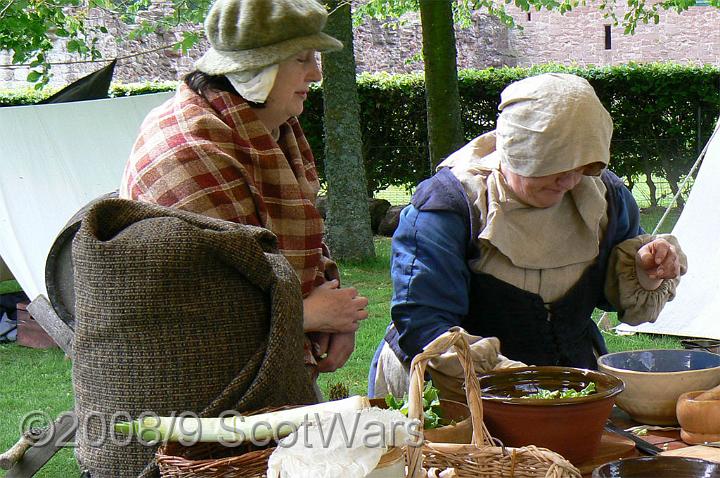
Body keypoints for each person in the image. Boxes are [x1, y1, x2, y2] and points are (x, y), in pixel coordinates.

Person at [369, 73, 687, 399]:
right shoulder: (451, 205)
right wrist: (513, 382)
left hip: (569, 384)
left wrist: (646, 270)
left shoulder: (607, 199)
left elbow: (608, 294)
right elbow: (424, 323)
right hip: (451, 389)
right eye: (556, 166)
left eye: (581, 167)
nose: (570, 181)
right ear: (519, 151)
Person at [120, 0, 368, 378]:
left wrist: (333, 311)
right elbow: (203, 303)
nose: (316, 74)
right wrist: (310, 314)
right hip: (200, 391)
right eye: (302, 59)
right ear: (255, 70)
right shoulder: (190, 152)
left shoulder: (262, 128)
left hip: (257, 370)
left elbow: (299, 244)